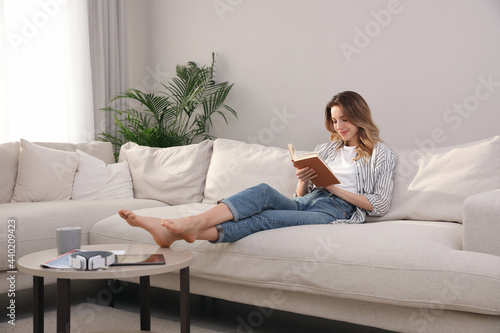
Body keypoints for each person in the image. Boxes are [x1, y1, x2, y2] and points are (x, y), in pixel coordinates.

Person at [119, 91, 396, 247]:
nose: (339, 127)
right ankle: (193, 224)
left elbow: (379, 205)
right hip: (308, 202)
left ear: (360, 117)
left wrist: (332, 186)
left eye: (344, 119)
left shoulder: (380, 153)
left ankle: (179, 231)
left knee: (264, 218)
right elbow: (300, 196)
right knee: (263, 192)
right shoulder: (327, 149)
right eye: (335, 121)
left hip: (334, 211)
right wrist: (303, 179)